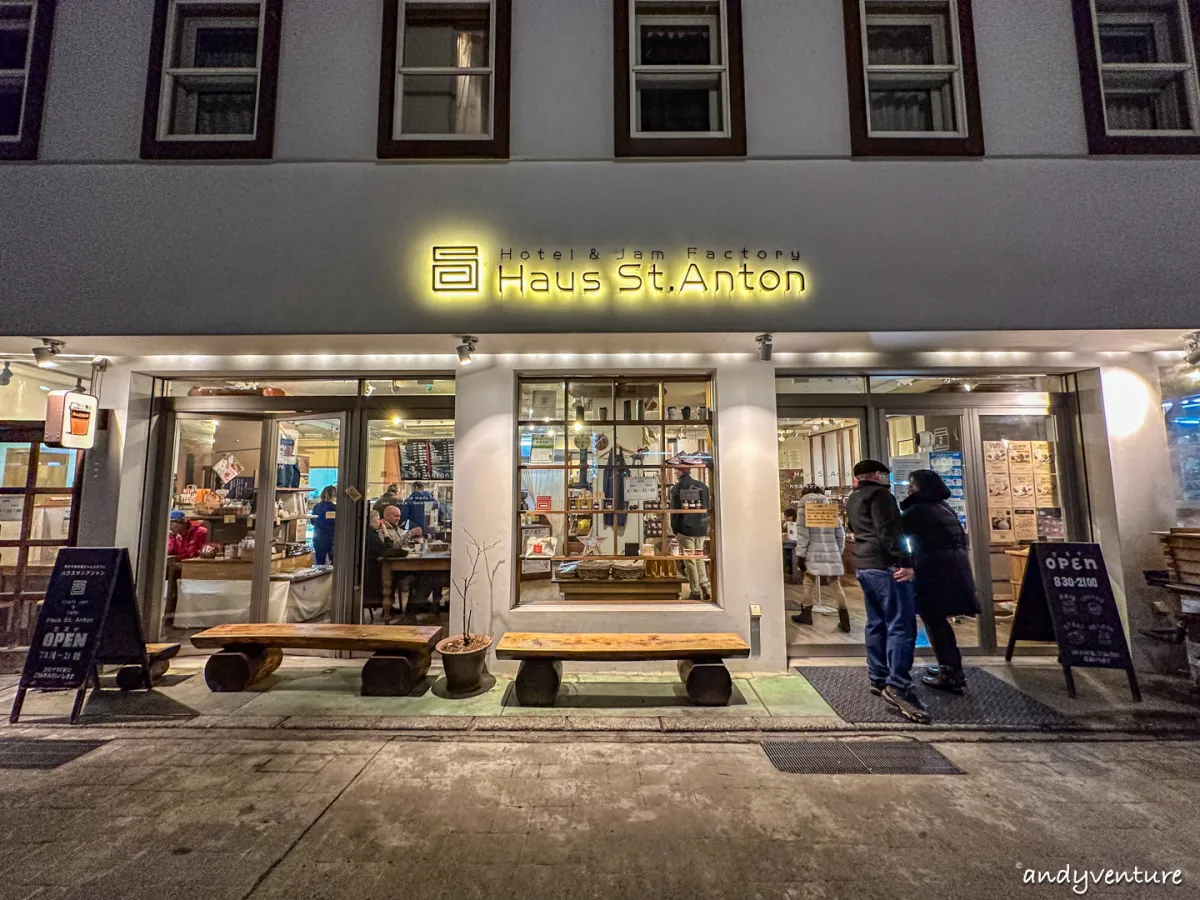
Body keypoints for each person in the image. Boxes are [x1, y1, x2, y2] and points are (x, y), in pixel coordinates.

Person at [846, 460, 929, 724]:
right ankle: (898, 685)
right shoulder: (881, 496)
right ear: (875, 475)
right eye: (884, 474)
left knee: (876, 622)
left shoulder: (854, 497)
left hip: (864, 565)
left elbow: (853, 528)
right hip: (885, 567)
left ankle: (878, 676)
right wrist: (905, 562)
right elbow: (888, 532)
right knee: (901, 626)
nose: (887, 479)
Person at [902, 468, 980, 693]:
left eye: (912, 484)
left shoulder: (918, 511)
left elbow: (903, 540)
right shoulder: (943, 508)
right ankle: (950, 667)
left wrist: (907, 564)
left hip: (934, 574)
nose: (909, 488)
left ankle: (950, 672)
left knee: (934, 622)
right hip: (950, 572)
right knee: (938, 622)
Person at [791, 486, 850, 633]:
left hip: (812, 552)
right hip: (831, 551)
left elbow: (803, 536)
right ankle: (845, 619)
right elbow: (840, 534)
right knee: (836, 584)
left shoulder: (803, 509)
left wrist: (800, 555)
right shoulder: (829, 508)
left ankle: (806, 614)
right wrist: (837, 551)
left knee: (808, 582)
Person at [670, 467, 711, 600]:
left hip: (685, 529)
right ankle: (706, 586)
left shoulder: (677, 488)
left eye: (676, 470)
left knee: (690, 560)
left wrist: (674, 529)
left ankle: (695, 591)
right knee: (699, 558)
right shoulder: (703, 486)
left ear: (681, 472)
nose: (675, 472)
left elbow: (675, 512)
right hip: (701, 528)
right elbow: (707, 507)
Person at [311, 485, 336, 566]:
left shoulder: (316, 507)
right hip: (332, 539)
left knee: (319, 563)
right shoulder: (335, 508)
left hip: (318, 538)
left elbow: (312, 521)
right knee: (334, 563)